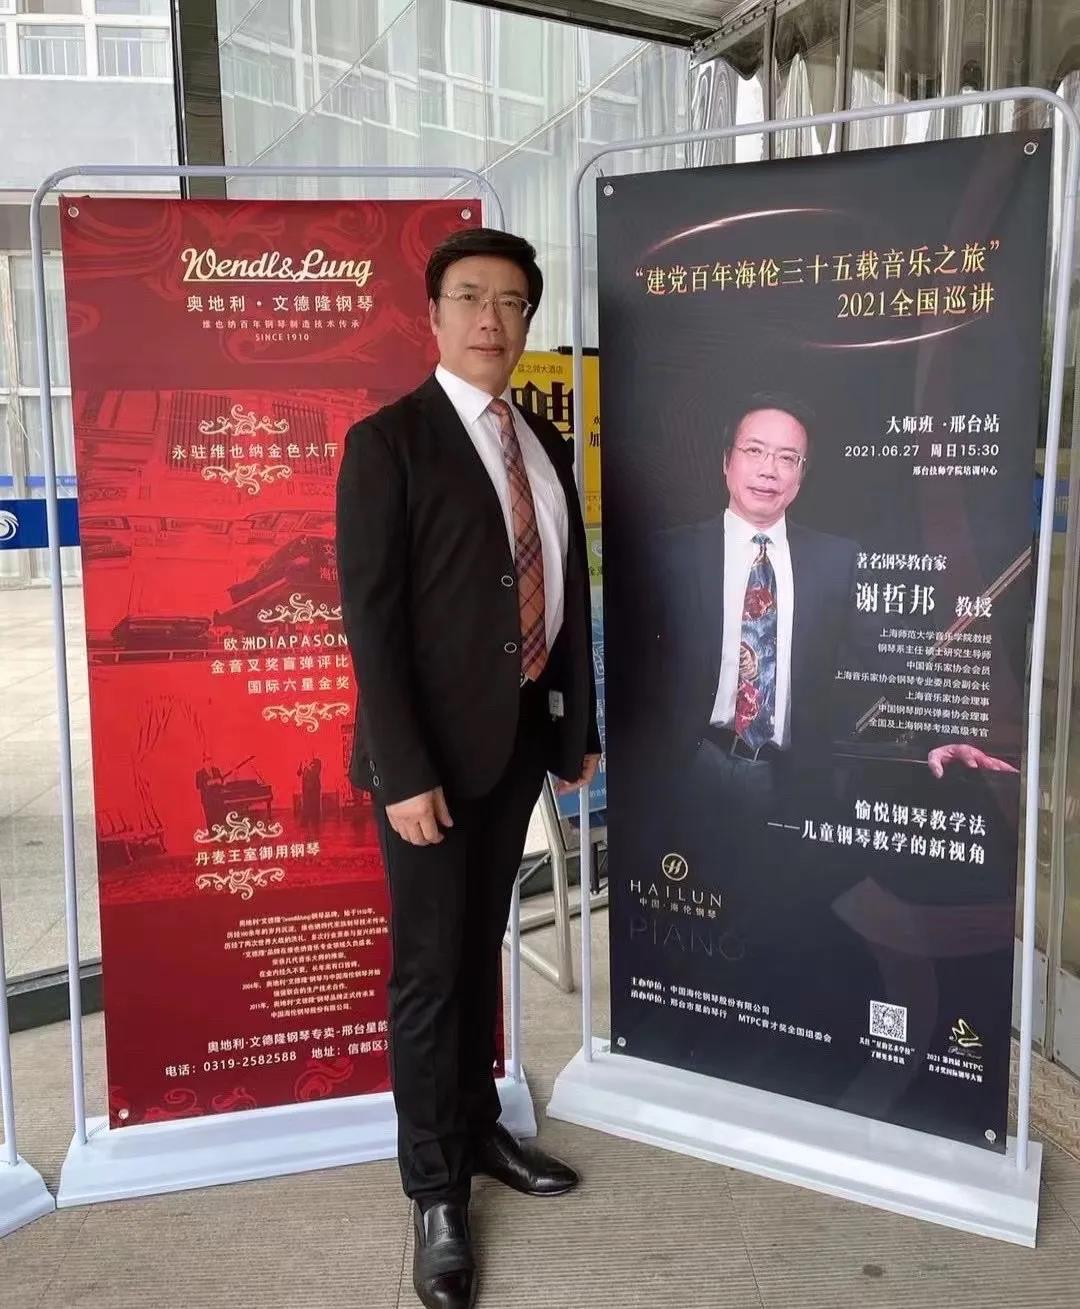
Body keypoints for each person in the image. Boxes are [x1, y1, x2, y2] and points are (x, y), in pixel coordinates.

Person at [336, 227, 600, 1309]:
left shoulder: (540, 439)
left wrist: (574, 729)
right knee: (429, 974)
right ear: (434, 314)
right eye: (470, 297)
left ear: (528, 317)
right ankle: (435, 1190)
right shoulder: (388, 443)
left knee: (479, 947)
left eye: (512, 301)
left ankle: (481, 1126)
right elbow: (372, 622)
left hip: (518, 747)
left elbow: (564, 587)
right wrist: (402, 771)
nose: (492, 318)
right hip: (429, 770)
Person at [646, 394, 1014, 821]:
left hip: (790, 781)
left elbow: (888, 654)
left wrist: (945, 731)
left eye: (787, 458)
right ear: (727, 461)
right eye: (754, 451)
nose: (769, 469)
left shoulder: (835, 560)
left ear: (801, 476)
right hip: (690, 766)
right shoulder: (671, 554)